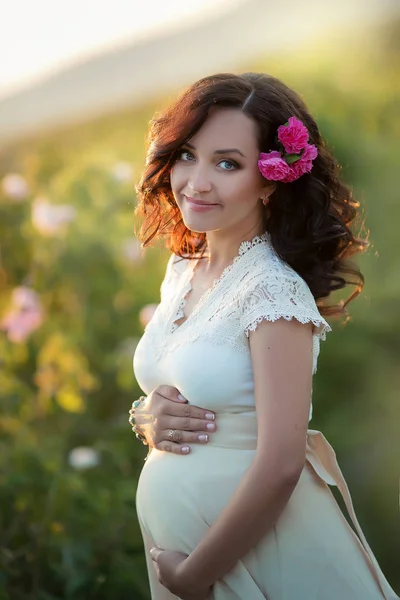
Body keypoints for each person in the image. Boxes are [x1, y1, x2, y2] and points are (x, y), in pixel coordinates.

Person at [130, 72, 399, 600]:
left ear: (272, 179)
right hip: (197, 554)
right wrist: (146, 414)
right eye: (188, 154)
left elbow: (279, 462)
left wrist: (193, 574)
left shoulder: (272, 292)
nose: (197, 181)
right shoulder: (184, 271)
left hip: (263, 554)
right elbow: (195, 390)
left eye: (227, 163)